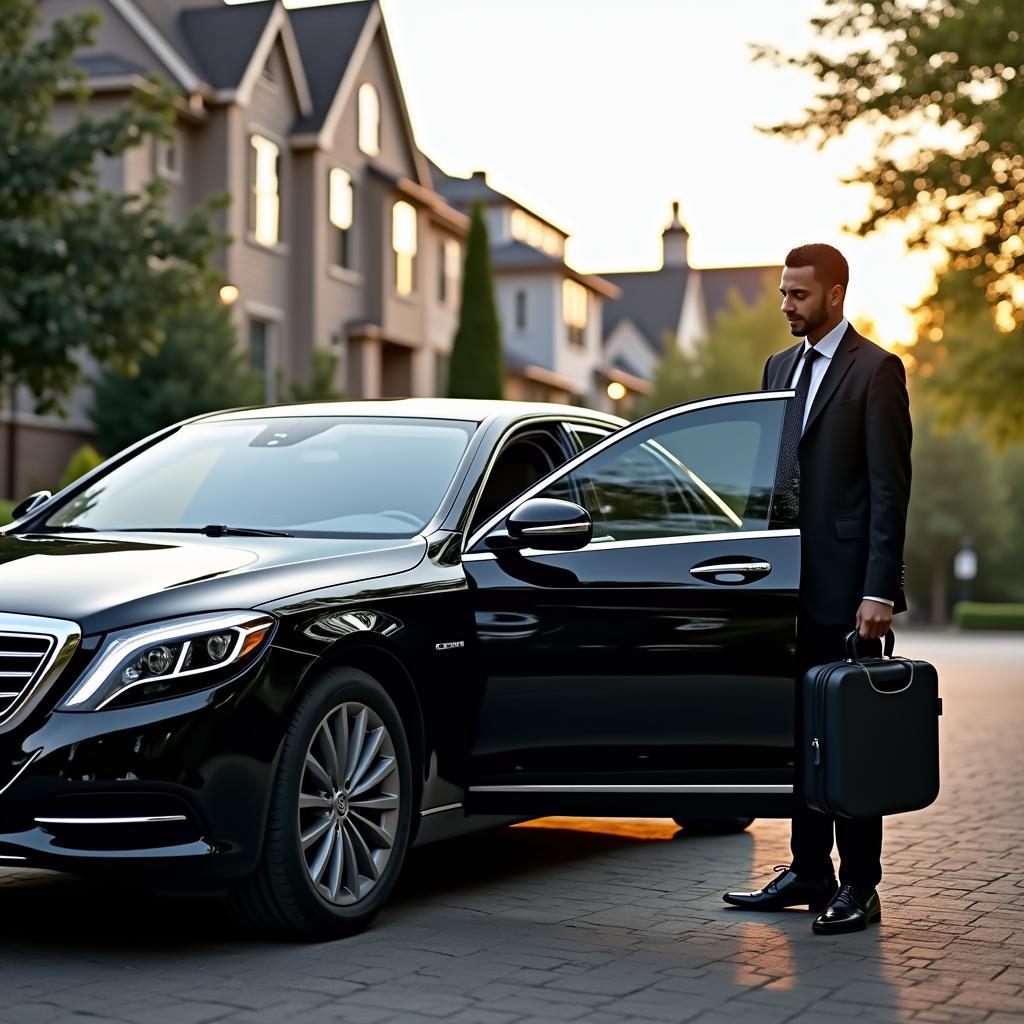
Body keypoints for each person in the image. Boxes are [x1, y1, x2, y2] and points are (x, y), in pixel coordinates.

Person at [722, 243, 912, 935]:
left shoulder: (877, 370)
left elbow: (891, 491)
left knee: (850, 737)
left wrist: (880, 590)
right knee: (801, 735)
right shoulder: (777, 367)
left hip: (848, 592)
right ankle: (810, 871)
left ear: (834, 294)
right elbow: (769, 478)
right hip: (783, 587)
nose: (785, 306)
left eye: (798, 295)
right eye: (782, 293)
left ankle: (860, 885)